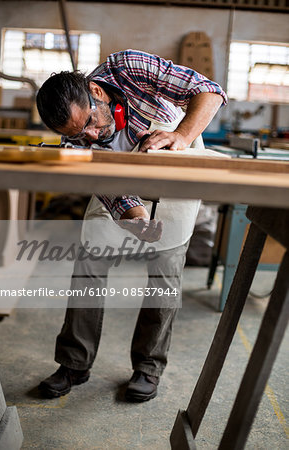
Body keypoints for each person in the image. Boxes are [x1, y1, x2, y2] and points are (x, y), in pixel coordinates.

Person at [36, 49, 227, 402]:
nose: (91, 136)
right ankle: (74, 363)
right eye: (80, 134)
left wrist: (182, 136)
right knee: (89, 262)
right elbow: (108, 186)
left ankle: (148, 367)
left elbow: (209, 90)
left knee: (164, 270)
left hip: (175, 163)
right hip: (117, 180)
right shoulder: (76, 139)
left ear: (97, 92)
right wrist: (135, 218)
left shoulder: (130, 66)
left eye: (92, 123)